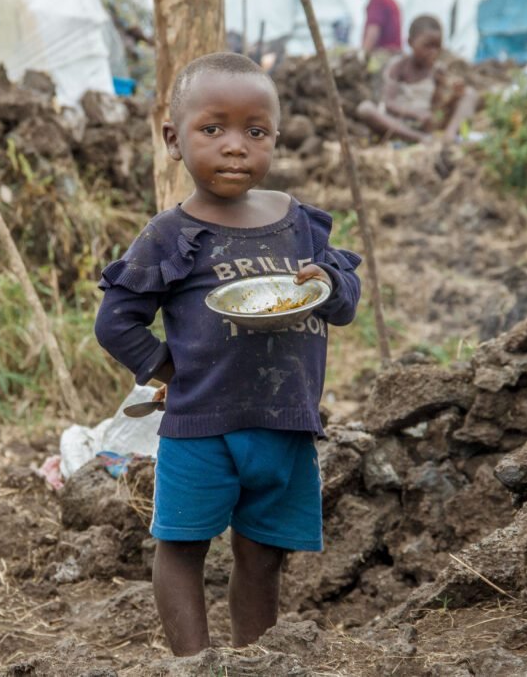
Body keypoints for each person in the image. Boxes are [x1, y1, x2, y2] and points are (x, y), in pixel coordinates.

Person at [94, 52, 362, 656]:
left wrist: (330, 281)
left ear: (274, 138)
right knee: (182, 547)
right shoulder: (169, 235)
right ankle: (195, 666)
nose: (235, 146)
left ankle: (253, 662)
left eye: (255, 131)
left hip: (285, 423)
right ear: (173, 139)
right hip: (200, 428)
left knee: (263, 553)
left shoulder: (299, 224)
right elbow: (116, 322)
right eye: (212, 130)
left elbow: (344, 305)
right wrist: (171, 371)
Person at [357, 15, 479, 143]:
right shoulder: (399, 66)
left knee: (470, 94)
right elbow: (388, 102)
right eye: (427, 46)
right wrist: (414, 113)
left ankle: (449, 136)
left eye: (437, 47)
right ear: (410, 42)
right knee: (365, 109)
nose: (433, 52)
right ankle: (420, 139)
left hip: (426, 124)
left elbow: (436, 107)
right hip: (400, 124)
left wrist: (449, 93)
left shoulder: (437, 70)